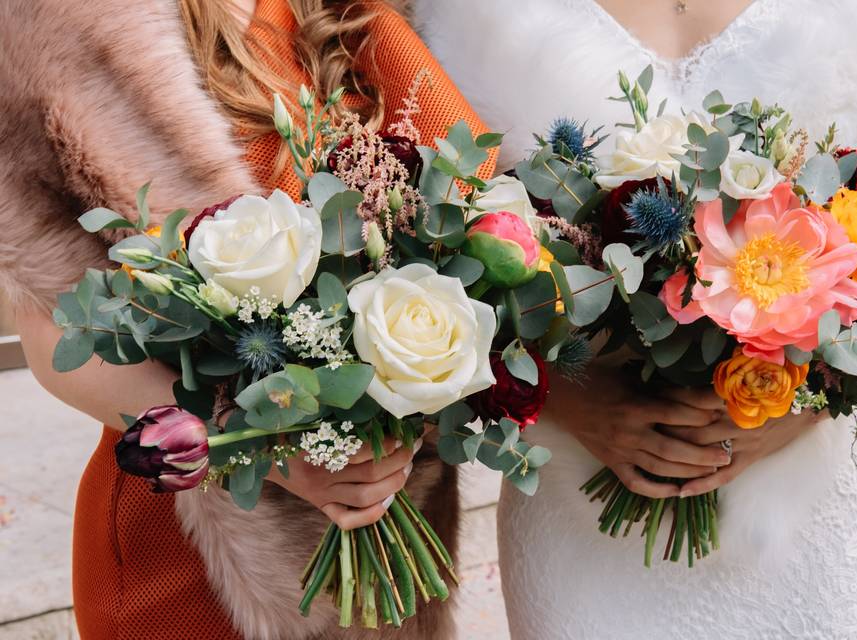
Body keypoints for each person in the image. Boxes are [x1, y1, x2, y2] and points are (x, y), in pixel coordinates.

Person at [412, 0, 857, 637]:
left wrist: (804, 404)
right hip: (581, 514)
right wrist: (569, 404)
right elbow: (434, 259)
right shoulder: (478, 15)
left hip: (806, 518)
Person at [0, 0, 494, 637]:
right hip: (199, 541)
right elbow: (54, 334)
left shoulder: (363, 16)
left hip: (391, 534)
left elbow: (477, 219)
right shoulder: (56, 22)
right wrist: (270, 447)